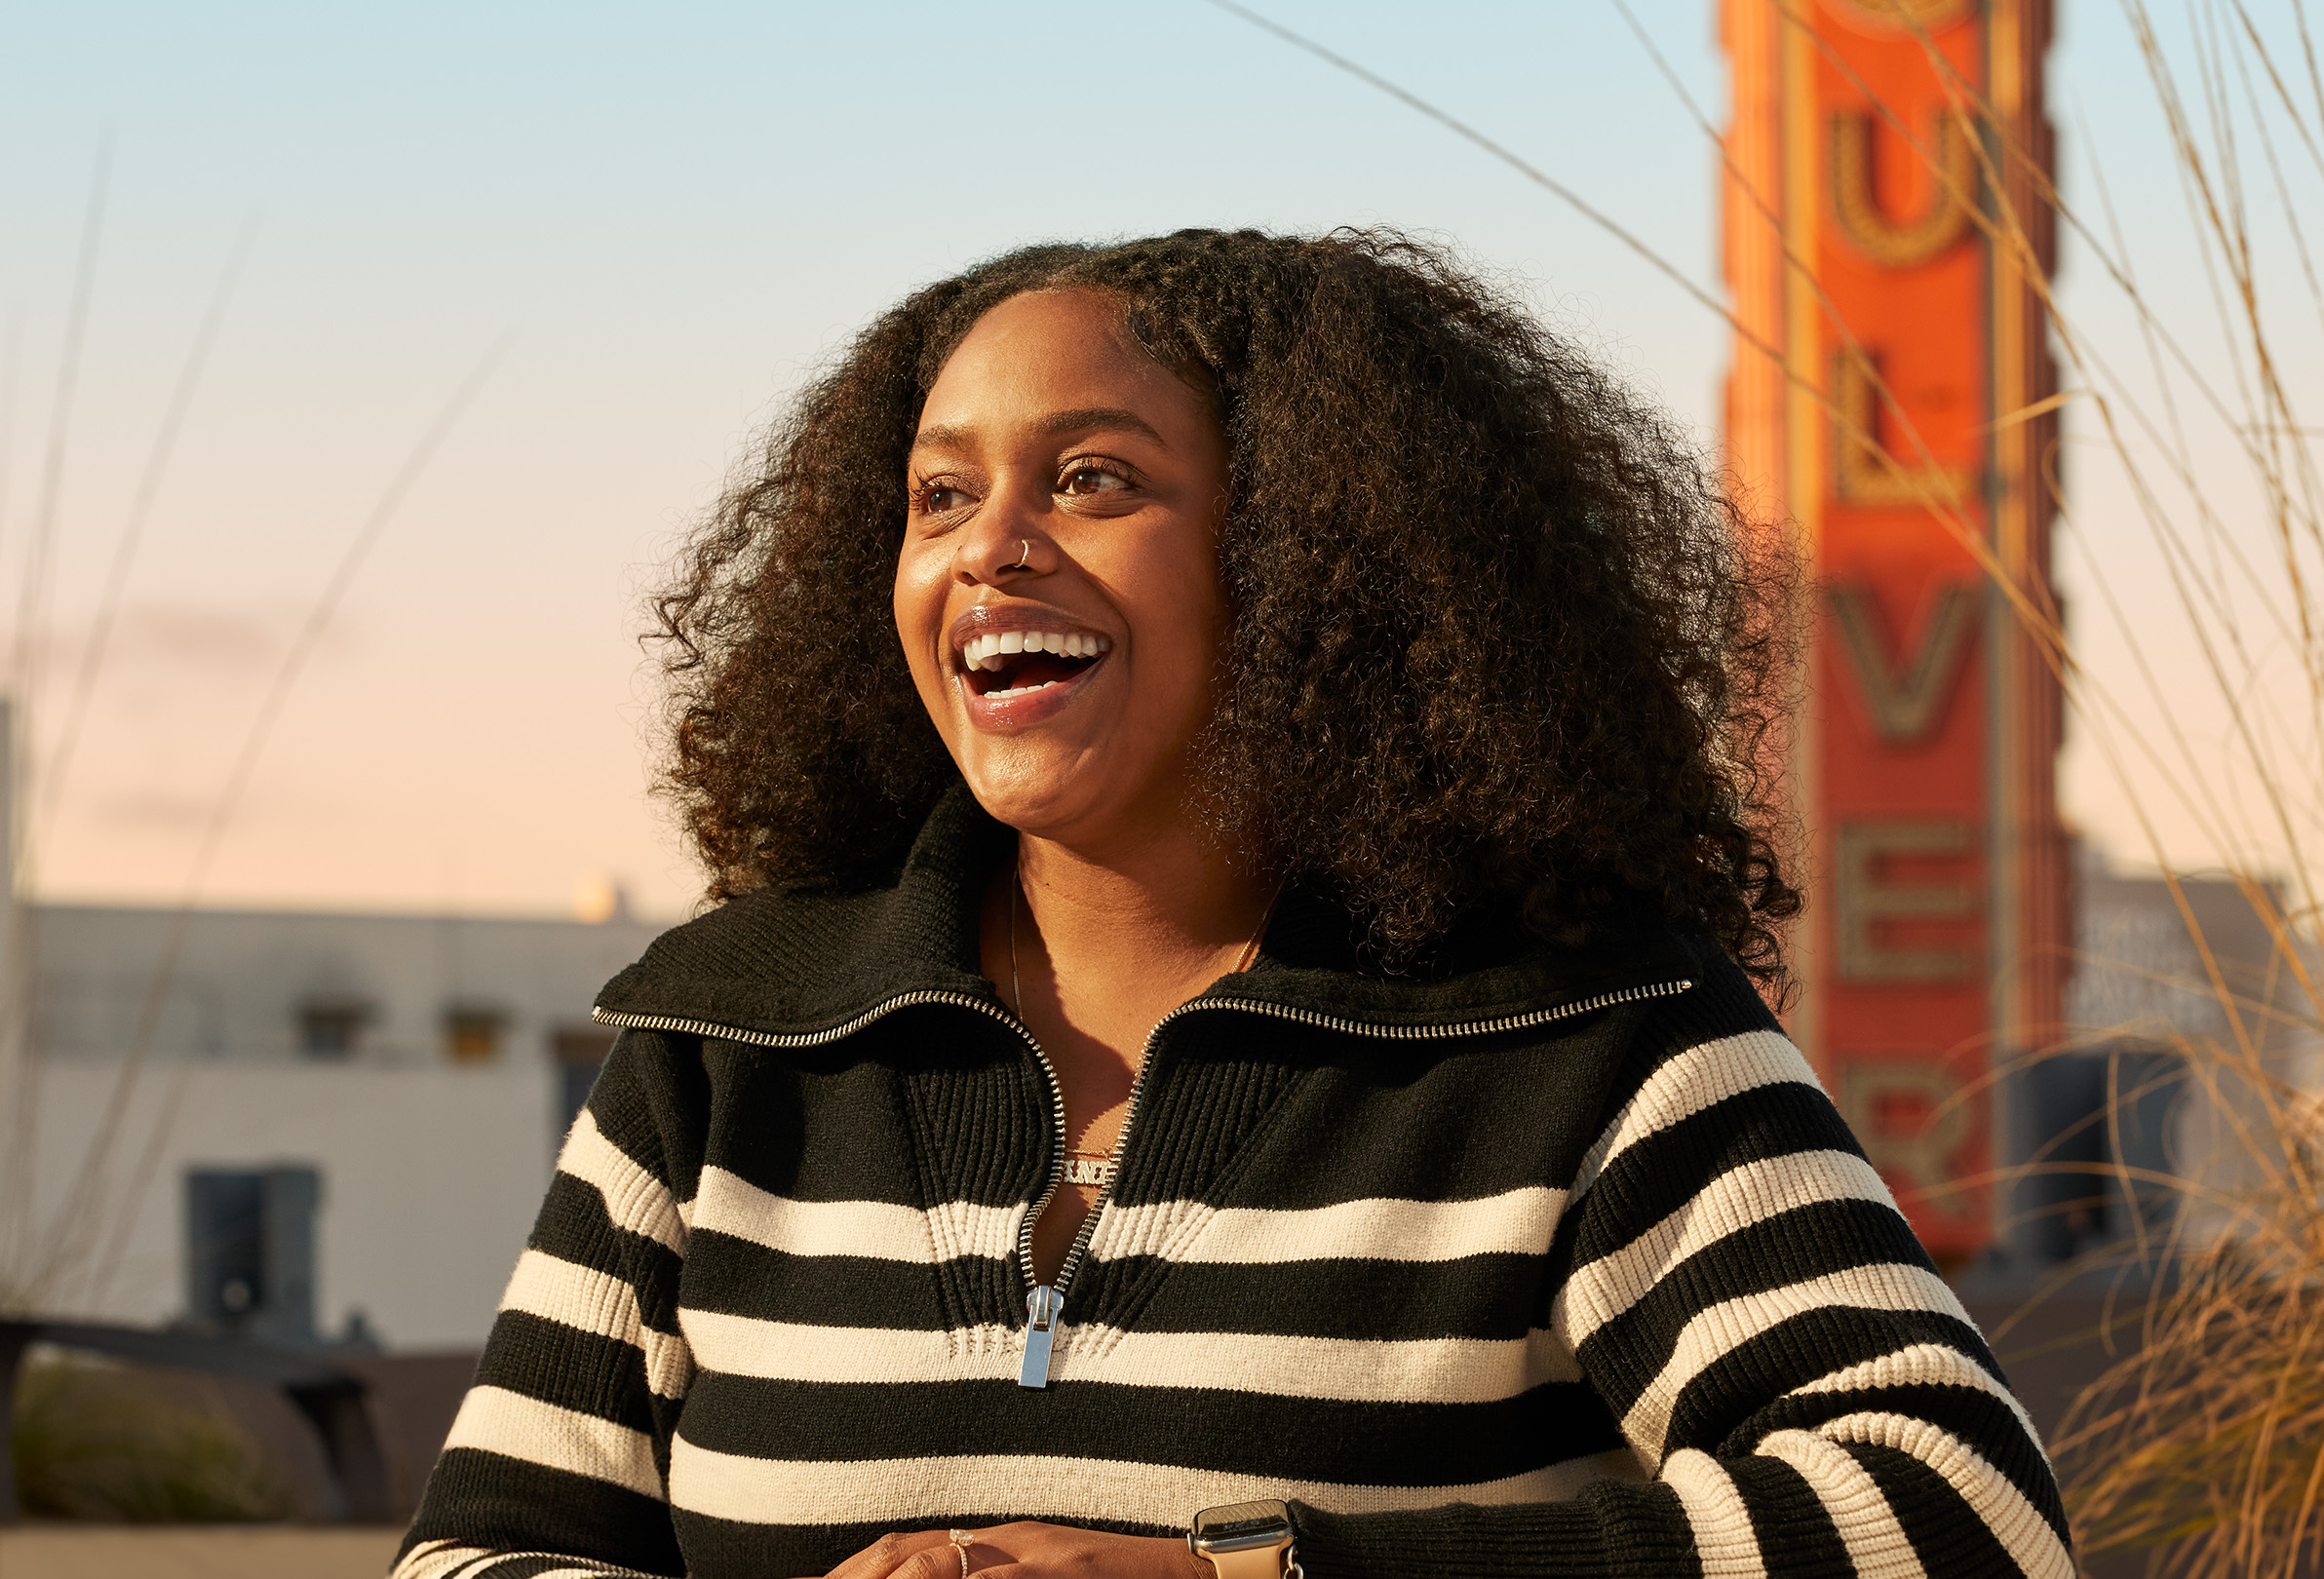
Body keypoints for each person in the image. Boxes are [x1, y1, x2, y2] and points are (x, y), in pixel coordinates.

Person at [393, 230, 2068, 1579]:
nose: (993, 550)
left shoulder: (1585, 1037)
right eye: (941, 494)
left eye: (1096, 482)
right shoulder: (731, 1039)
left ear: (1308, 565)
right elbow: (481, 1553)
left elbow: (1954, 1516)